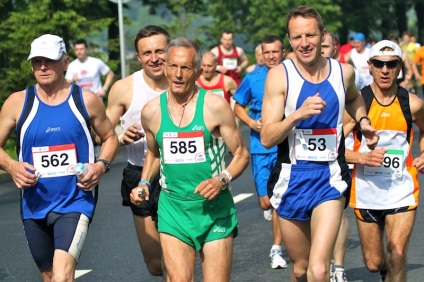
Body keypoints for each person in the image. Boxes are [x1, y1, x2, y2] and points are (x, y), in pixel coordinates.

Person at [261, 6, 379, 281]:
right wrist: (298, 114)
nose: (304, 43)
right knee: (301, 269)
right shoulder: (280, 76)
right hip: (292, 178)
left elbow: (353, 98)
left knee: (318, 269)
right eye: (297, 37)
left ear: (322, 35)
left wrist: (362, 121)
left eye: (310, 35)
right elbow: (267, 137)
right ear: (289, 40)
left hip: (330, 177)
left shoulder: (344, 73)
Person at [0, 34, 118, 281]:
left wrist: (100, 165)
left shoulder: (85, 100)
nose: (43, 67)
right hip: (33, 204)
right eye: (37, 61)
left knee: (63, 276)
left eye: (50, 60)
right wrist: (12, 166)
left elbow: (110, 137)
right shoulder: (17, 102)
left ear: (65, 62)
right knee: (50, 275)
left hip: (76, 201)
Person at [132, 37, 249, 281]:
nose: (177, 74)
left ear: (196, 71)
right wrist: (144, 183)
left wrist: (222, 179)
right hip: (173, 208)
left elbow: (240, 154)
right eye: (173, 66)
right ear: (165, 67)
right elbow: (153, 153)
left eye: (185, 68)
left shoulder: (215, 106)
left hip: (213, 209)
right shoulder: (152, 111)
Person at [345, 40, 424, 282]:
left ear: (399, 67)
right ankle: (384, 271)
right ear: (369, 66)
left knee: (397, 254)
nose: (385, 70)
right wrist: (363, 158)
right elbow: (332, 148)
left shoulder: (413, 103)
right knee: (374, 262)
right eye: (379, 64)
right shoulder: (357, 105)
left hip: (402, 188)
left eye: (391, 64)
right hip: (366, 192)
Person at [105, 25, 170, 277]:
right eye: (147, 53)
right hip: (138, 175)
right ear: (138, 56)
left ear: (170, 50)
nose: (154, 58)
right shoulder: (124, 88)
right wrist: (122, 138)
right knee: (155, 264)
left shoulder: (184, 83)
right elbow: (102, 134)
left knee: (177, 256)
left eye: (160, 51)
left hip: (178, 173)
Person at [233, 35, 287, 269]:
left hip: (285, 146)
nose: (271, 56)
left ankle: (277, 248)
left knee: (278, 201)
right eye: (267, 52)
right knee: (266, 202)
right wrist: (251, 122)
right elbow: (237, 105)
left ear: (282, 52)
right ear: (262, 54)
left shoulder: (291, 75)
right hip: (260, 147)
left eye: (275, 52)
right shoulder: (253, 78)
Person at [321, 30, 352, 282]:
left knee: (338, 210)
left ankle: (338, 267)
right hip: (303, 160)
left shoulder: (344, 74)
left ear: (335, 48)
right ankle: (320, 261)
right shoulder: (294, 74)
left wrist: (338, 135)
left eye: (325, 46)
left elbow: (356, 108)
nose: (320, 50)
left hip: (336, 156)